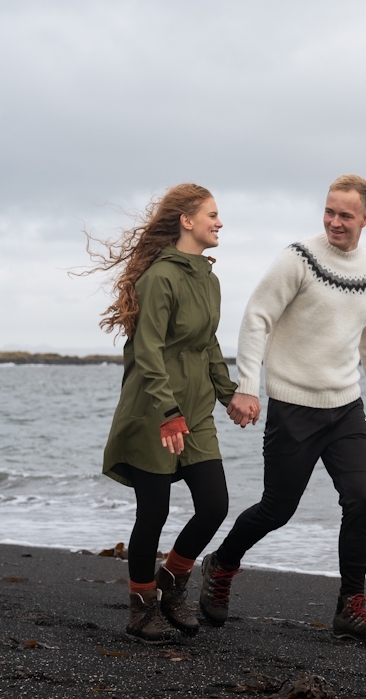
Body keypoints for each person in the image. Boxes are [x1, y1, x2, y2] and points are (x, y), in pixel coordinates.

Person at [199, 174, 366, 642]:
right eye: (329, 211)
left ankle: (351, 605)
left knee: (362, 499)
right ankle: (222, 565)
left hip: (346, 408)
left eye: (345, 215)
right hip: (292, 407)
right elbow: (256, 317)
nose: (335, 222)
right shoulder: (298, 259)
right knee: (277, 508)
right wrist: (247, 385)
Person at [88, 183, 244, 641]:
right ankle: (141, 608)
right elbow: (147, 351)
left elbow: (207, 344)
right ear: (187, 221)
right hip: (154, 412)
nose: (219, 223)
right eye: (212, 215)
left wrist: (227, 393)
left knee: (214, 505)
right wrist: (167, 412)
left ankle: (171, 583)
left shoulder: (208, 278)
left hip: (194, 412)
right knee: (152, 513)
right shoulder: (159, 278)